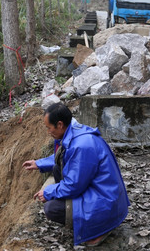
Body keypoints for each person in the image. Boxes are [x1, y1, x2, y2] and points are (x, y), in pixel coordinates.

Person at [22, 103, 129, 247]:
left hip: (106, 203)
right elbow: (65, 157)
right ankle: (84, 218)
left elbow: (74, 185)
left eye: (49, 128)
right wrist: (39, 163)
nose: (48, 131)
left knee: (51, 209)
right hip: (102, 193)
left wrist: (48, 191)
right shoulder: (75, 132)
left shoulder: (82, 145)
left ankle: (100, 228)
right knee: (56, 169)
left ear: (60, 124)